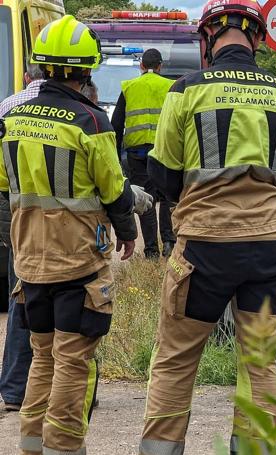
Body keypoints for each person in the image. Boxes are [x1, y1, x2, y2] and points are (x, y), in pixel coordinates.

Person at [139, 0, 276, 453]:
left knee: (175, 361)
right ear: (256, 39)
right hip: (270, 249)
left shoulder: (186, 90)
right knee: (260, 364)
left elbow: (162, 175)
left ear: (208, 37)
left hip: (204, 249)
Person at [0, 15, 152, 454]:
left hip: (29, 263)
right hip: (77, 262)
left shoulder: (12, 116)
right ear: (87, 70)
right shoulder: (90, 121)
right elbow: (115, 190)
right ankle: (64, 447)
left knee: (41, 356)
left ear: (41, 66)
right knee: (72, 360)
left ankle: (31, 444)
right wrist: (130, 225)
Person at [0, 63, 45, 413]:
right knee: (78, 300)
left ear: (28, 77)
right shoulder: (80, 112)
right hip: (68, 220)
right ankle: (72, 387)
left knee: (21, 295)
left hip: (15, 210)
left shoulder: (8, 106)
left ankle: (15, 389)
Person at [111, 48, 176, 258]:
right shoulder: (171, 87)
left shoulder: (129, 87)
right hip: (164, 151)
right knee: (166, 196)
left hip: (137, 153)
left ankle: (151, 251)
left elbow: (117, 124)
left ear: (141, 66)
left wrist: (114, 153)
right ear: (160, 66)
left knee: (146, 197)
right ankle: (168, 241)